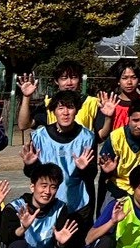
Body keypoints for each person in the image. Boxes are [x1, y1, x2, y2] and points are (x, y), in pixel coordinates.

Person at [26, 90, 97, 227]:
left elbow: (92, 174)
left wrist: (84, 169)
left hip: (78, 204)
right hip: (47, 203)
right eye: (61, 108)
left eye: (70, 107)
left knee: (78, 247)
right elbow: (32, 175)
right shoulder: (39, 136)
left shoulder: (87, 137)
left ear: (77, 110)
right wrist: (30, 165)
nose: (65, 113)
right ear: (54, 111)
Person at [16, 59, 100, 132]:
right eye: (64, 78)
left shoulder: (92, 103)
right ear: (56, 81)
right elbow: (23, 125)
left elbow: (102, 135)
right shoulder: (49, 104)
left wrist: (108, 117)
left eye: (74, 77)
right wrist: (26, 97)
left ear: (80, 80)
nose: (69, 83)